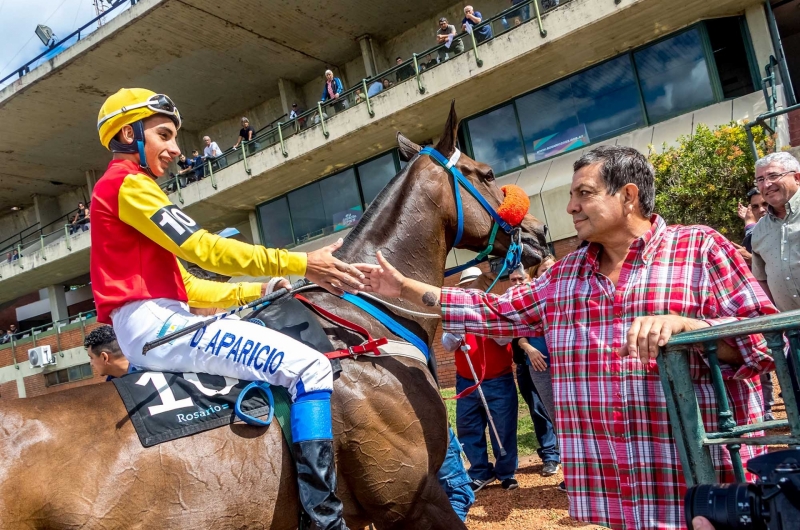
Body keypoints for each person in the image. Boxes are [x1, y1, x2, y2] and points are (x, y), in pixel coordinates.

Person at [362, 145, 777, 529]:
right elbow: (495, 311)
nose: (570, 206)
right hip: (624, 496)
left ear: (628, 195)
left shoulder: (700, 249)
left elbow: (765, 343)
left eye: (584, 193)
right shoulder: (565, 274)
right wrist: (403, 287)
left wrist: (690, 329)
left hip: (704, 486)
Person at [93, 88, 373, 530]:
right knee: (312, 369)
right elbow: (203, 250)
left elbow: (190, 286)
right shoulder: (129, 184)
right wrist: (301, 262)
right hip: (157, 324)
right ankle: (324, 521)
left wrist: (258, 290)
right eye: (163, 134)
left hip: (156, 319)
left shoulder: (125, 192)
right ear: (129, 134)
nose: (175, 148)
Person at [442, 267, 519, 493]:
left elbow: (505, 337)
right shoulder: (454, 311)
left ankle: (506, 472)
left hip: (498, 380)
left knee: (503, 428)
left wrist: (484, 320)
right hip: (466, 381)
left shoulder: (497, 305)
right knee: (469, 427)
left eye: (474, 285)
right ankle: (479, 472)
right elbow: (447, 344)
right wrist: (458, 330)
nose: (471, 291)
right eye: (467, 287)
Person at [749, 151, 800, 406]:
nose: (766, 185)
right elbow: (762, 281)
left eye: (773, 176)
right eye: (760, 180)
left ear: (797, 177)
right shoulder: (759, 232)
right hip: (795, 334)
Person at [509, 260, 562, 486]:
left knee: (573, 417)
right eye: (544, 269)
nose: (549, 272)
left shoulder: (562, 294)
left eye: (552, 268)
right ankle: (558, 460)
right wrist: (529, 349)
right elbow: (518, 333)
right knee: (548, 415)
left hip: (566, 367)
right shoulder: (528, 302)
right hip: (537, 367)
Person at [736, 187, 773, 420]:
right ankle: (766, 409)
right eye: (755, 206)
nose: (761, 210)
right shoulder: (759, 230)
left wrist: (749, 258)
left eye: (764, 205)